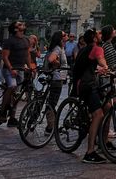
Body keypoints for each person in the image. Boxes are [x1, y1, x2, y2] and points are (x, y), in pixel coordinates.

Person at [72, 28, 110, 164]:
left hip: (79, 83)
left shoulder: (84, 49)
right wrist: (105, 67)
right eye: (98, 34)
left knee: (107, 106)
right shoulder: (97, 48)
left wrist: (98, 70)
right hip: (87, 85)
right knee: (98, 114)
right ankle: (90, 152)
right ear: (94, 38)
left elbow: (89, 65)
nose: (101, 35)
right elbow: (101, 60)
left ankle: (103, 140)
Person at [0, 20, 30, 126]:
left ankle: (12, 118)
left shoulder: (26, 40)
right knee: (12, 86)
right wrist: (11, 68)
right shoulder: (9, 41)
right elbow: (5, 57)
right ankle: (2, 111)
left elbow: (27, 55)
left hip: (20, 69)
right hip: (9, 69)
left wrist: (30, 67)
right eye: (19, 24)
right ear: (16, 29)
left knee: (17, 94)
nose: (23, 25)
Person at [44, 31, 68, 124]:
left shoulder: (58, 47)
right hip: (57, 78)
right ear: (60, 38)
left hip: (56, 77)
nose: (67, 35)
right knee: (52, 103)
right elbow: (51, 59)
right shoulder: (58, 48)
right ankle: (50, 126)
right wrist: (58, 64)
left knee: (51, 101)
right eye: (64, 35)